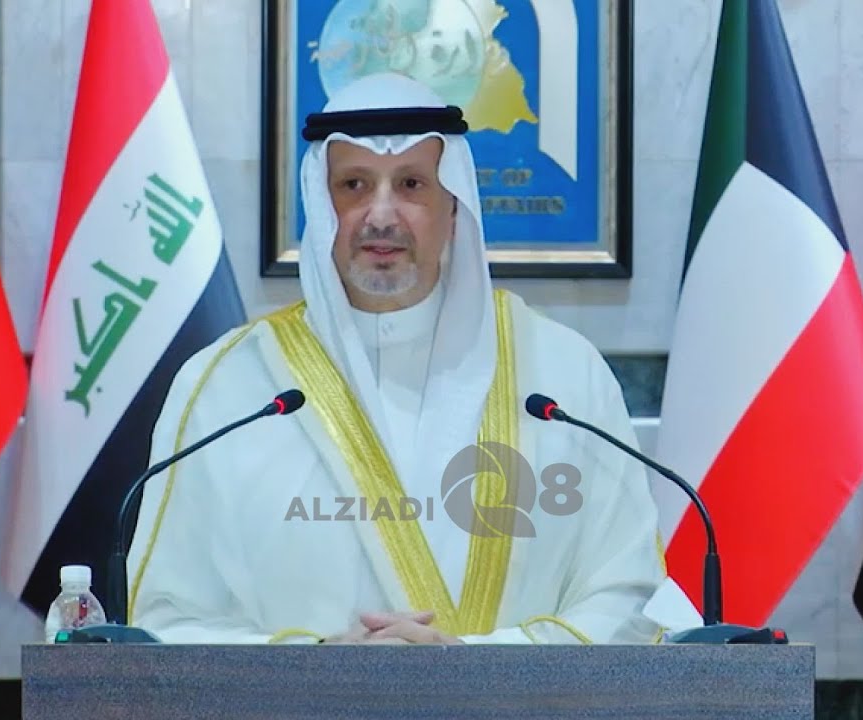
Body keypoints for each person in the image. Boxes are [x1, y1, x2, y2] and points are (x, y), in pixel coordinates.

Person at [125, 73, 668, 645]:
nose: (381, 215)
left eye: (411, 184)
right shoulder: (228, 388)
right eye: (354, 185)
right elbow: (166, 619)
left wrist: (477, 661)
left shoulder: (563, 375)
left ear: (454, 208)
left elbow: (631, 600)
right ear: (320, 204)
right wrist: (316, 663)